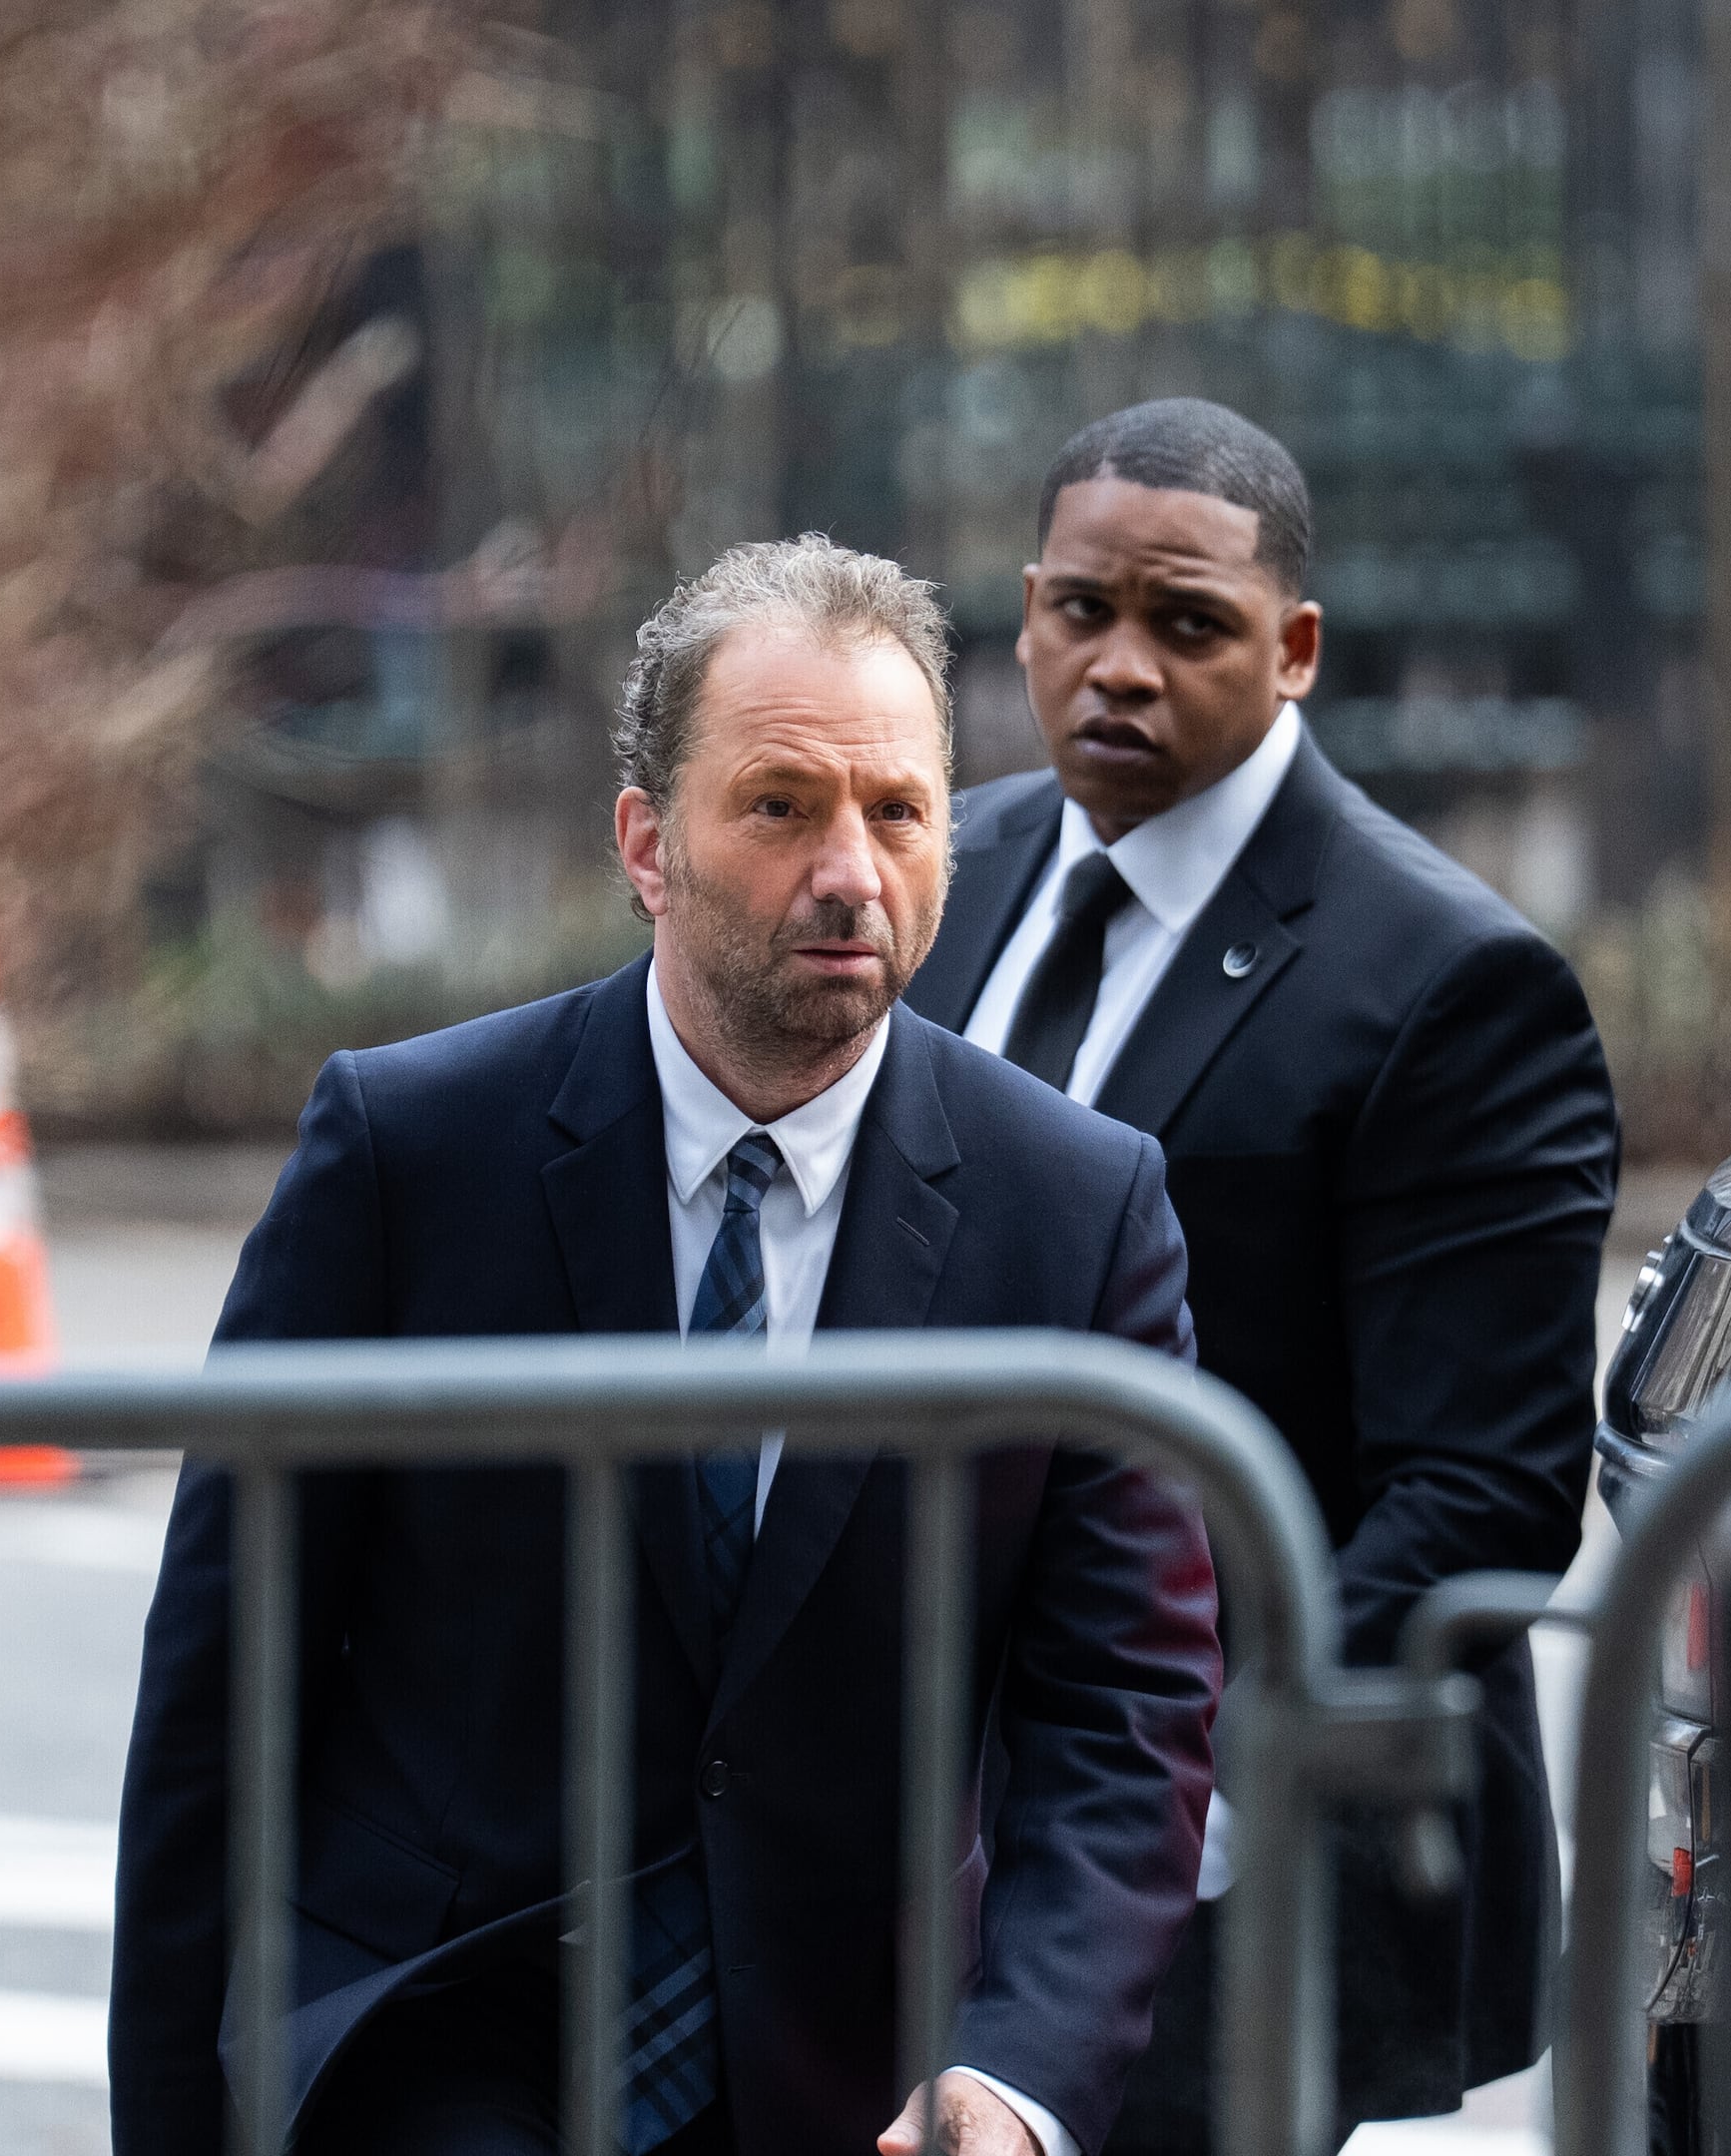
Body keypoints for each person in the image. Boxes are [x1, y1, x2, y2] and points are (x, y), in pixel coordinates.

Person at [111, 536, 1222, 2156]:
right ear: (648, 840)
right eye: (781, 806)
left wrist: (1020, 2073)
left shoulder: (1078, 1208)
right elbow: (226, 1678)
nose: (852, 868)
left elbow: (1123, 1717)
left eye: (900, 811)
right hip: (437, 2026)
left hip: (859, 2075)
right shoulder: (411, 1149)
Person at [904, 398, 1619, 2148]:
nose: (1120, 668)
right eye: (1082, 612)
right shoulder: (939, 870)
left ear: (1292, 650)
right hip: (916, 1793)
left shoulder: (1448, 981)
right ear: (1023, 614)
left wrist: (1187, 1782)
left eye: (1188, 625)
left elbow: (1483, 1489)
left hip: (1227, 1833)